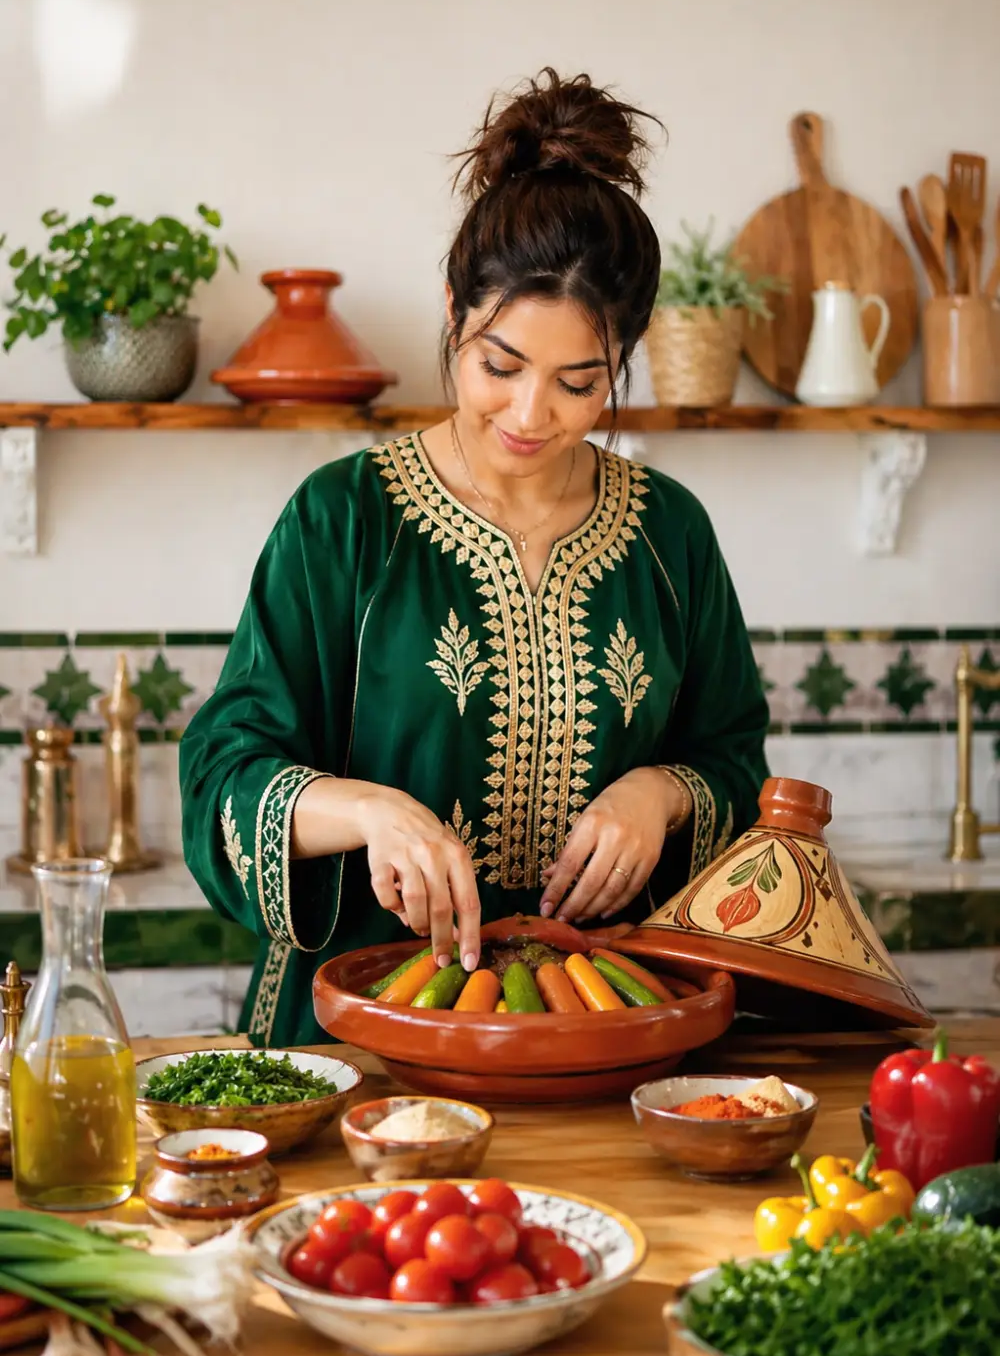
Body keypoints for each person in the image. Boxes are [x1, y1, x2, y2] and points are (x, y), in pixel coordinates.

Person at [180, 68, 769, 1047]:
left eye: (578, 381)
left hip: (604, 1047)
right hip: (363, 1045)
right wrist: (369, 812)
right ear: (453, 312)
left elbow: (738, 767)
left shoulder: (670, 533)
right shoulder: (344, 520)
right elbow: (222, 775)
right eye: (500, 365)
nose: (530, 414)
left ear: (620, 361)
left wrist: (656, 794)